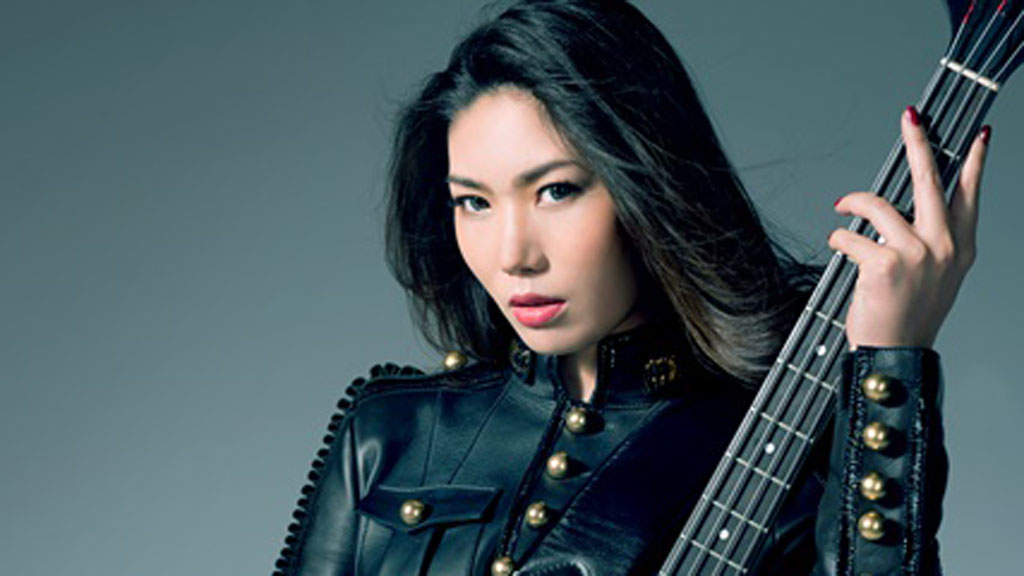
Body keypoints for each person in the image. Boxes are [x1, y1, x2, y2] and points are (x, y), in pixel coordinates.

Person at [273, 1, 988, 574]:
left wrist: (889, 366)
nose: (513, 255)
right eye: (474, 202)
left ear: (648, 186)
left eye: (556, 191)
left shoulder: (792, 444)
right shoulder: (387, 435)